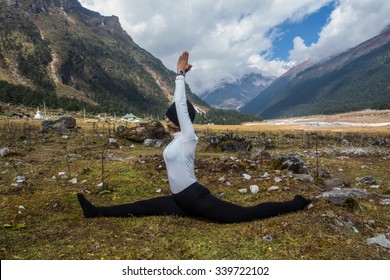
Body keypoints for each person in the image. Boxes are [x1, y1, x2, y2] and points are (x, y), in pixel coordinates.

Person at [77, 51, 311, 223]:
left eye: (169, 117)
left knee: (242, 215)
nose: (165, 120)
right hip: (179, 199)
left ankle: (296, 203)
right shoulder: (177, 138)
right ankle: (95, 211)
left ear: (178, 120)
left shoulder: (189, 136)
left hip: (195, 197)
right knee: (141, 207)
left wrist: (180, 75)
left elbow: (180, 104)